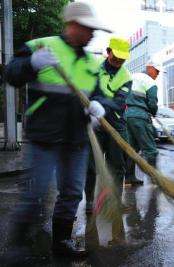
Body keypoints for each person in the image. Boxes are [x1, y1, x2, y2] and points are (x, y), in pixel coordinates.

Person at [4, 1, 111, 257]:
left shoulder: (90, 62)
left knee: (72, 193)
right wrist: (31, 63)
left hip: (76, 139)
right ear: (73, 25)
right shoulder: (42, 47)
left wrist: (100, 105)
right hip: (44, 136)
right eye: (89, 28)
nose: (93, 34)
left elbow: (100, 93)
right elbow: (11, 74)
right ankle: (16, 248)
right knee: (36, 191)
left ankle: (61, 243)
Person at [85, 37, 132, 213]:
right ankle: (90, 201)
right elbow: (85, 89)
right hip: (94, 124)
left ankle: (115, 201)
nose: (118, 61)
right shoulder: (94, 68)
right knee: (91, 164)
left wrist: (100, 106)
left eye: (122, 58)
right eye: (115, 57)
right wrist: (89, 109)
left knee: (117, 166)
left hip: (116, 124)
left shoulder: (126, 76)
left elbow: (120, 103)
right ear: (108, 51)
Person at [125, 60, 163, 179]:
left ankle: (129, 177)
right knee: (150, 149)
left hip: (127, 116)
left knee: (131, 149)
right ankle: (155, 179)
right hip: (140, 117)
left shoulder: (131, 77)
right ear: (149, 68)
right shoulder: (150, 82)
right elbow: (152, 103)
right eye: (157, 71)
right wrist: (153, 111)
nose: (157, 75)